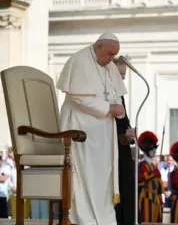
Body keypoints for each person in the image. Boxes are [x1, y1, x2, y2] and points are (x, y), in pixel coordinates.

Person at [56, 32, 127, 225]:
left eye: (114, 55)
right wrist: (107, 108)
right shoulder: (79, 60)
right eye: (109, 54)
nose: (111, 59)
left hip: (103, 135)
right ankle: (84, 219)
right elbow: (79, 97)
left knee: (103, 175)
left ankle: (104, 219)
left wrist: (118, 107)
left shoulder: (109, 66)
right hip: (81, 130)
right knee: (85, 173)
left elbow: (115, 94)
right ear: (98, 47)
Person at [113, 56, 136, 225]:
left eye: (124, 74)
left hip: (123, 148)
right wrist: (124, 133)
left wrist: (129, 131)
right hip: (112, 150)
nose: (123, 78)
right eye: (121, 74)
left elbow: (123, 120)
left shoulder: (119, 94)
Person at [137, 131, 164, 223]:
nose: (155, 151)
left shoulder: (153, 165)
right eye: (152, 150)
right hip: (146, 199)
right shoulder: (142, 165)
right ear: (147, 151)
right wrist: (153, 174)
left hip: (156, 198)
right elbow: (139, 179)